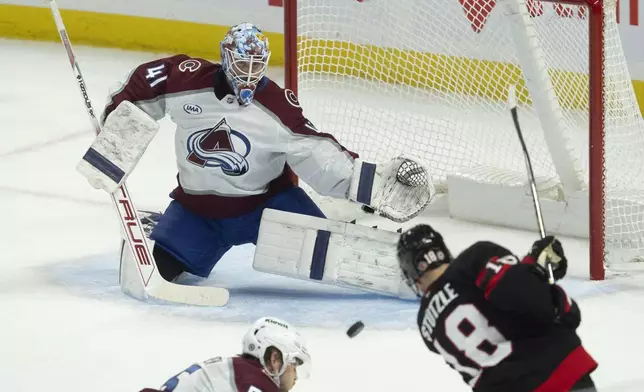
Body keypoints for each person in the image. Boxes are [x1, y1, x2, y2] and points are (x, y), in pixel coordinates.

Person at [98, 22, 431, 287]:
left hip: (268, 209)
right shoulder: (187, 80)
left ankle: (413, 268)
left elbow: (317, 153)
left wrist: (373, 188)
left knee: (336, 255)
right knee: (158, 269)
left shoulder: (276, 106)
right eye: (243, 62)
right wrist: (119, 114)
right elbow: (149, 81)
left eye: (257, 64)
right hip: (198, 213)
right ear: (226, 57)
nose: (249, 73)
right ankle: (167, 229)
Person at [396, 224, 598, 392]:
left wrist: (531, 268)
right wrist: (554, 293)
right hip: (556, 377)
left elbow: (490, 305)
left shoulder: (426, 323)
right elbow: (532, 301)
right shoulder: (474, 258)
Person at [139, 316, 311, 392]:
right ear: (275, 358)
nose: (295, 377)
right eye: (294, 366)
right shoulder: (256, 380)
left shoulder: (238, 371)